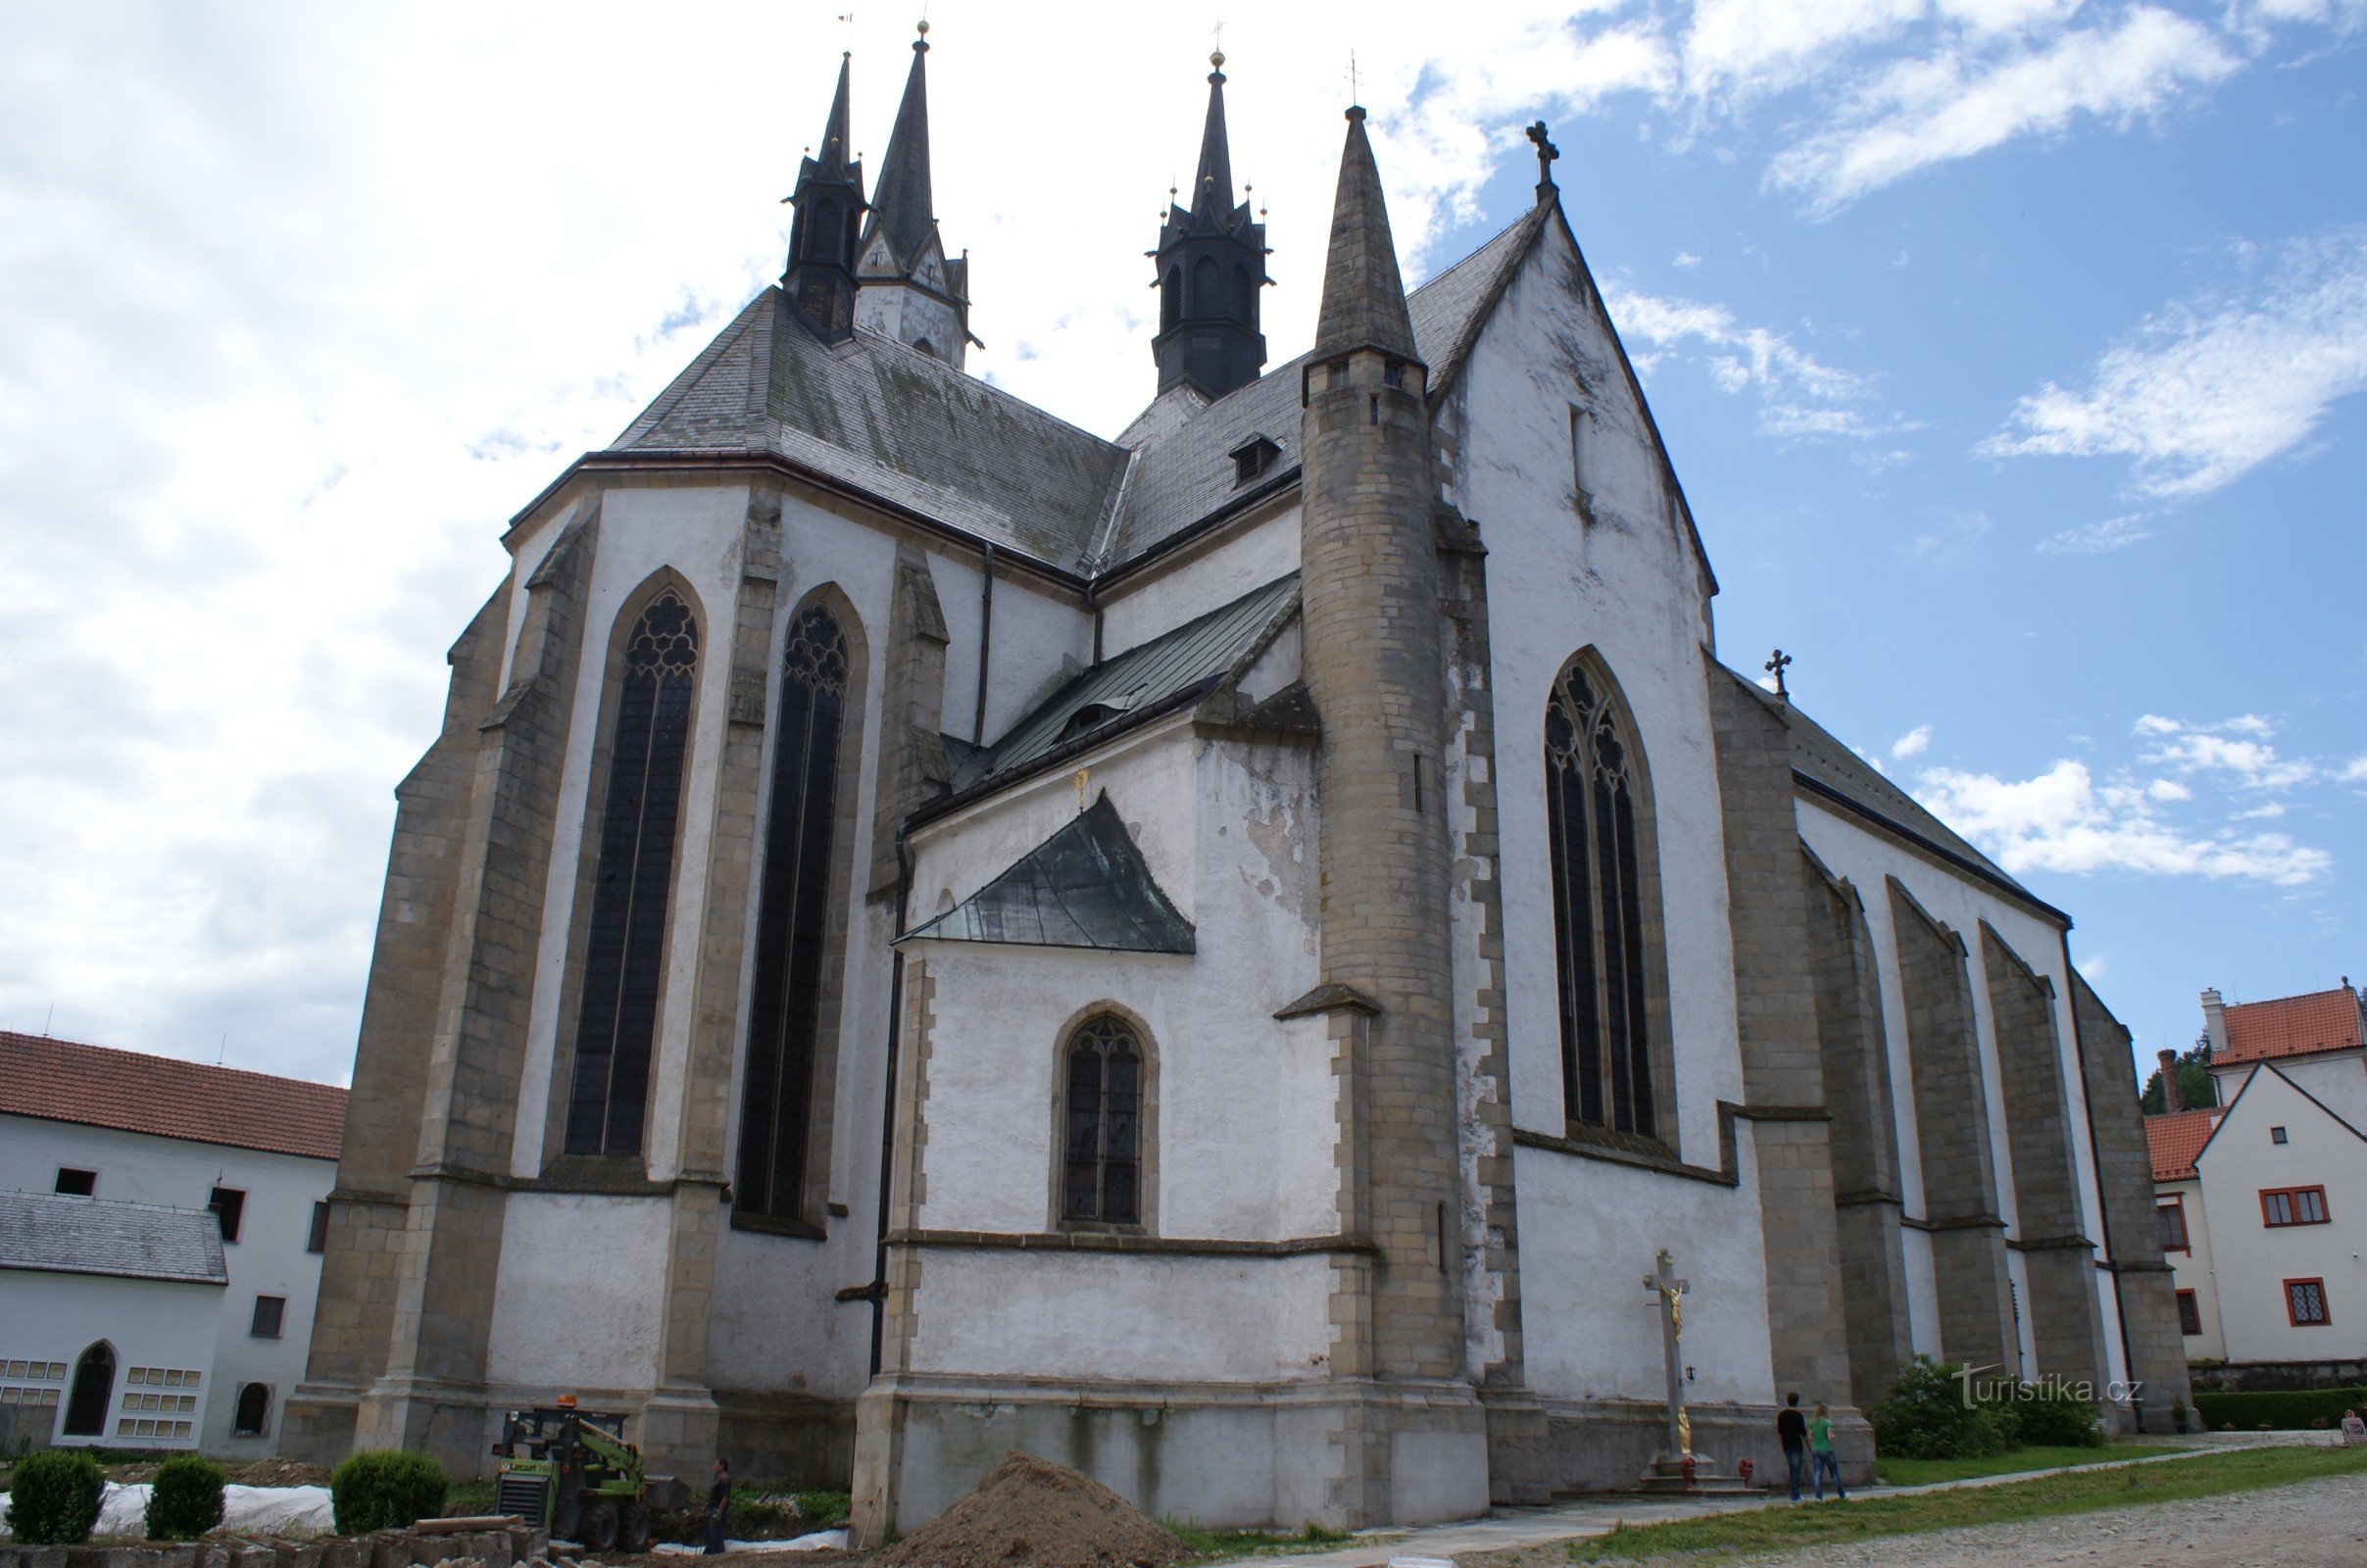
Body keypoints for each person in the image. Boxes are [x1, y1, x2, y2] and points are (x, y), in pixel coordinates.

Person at [1809, 1400, 1847, 1501]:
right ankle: (1841, 1494)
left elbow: (1809, 1437)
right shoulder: (1827, 1422)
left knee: (1817, 1473)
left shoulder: (1812, 1422)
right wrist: (1833, 1436)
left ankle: (1818, 1496)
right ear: (1826, 1411)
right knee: (1834, 1473)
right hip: (1826, 1449)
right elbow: (1829, 1437)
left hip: (1815, 1449)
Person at [1776, 1392, 1808, 1501]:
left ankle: (1794, 1493)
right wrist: (1809, 1446)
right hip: (1796, 1445)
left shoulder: (1781, 1415)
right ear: (1797, 1402)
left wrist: (1782, 1445)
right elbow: (1803, 1434)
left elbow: (1780, 1433)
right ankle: (1795, 1494)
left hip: (1786, 1445)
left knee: (1792, 1469)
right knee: (1796, 1470)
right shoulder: (1798, 1416)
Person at [704, 1457, 731, 1554]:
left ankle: (718, 1555)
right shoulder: (717, 1479)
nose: (713, 1466)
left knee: (716, 1536)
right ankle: (709, 1554)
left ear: (722, 1466)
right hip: (711, 1509)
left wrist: (719, 1511)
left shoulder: (725, 1479)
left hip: (717, 1510)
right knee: (709, 1535)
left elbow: (725, 1497)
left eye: (716, 1464)